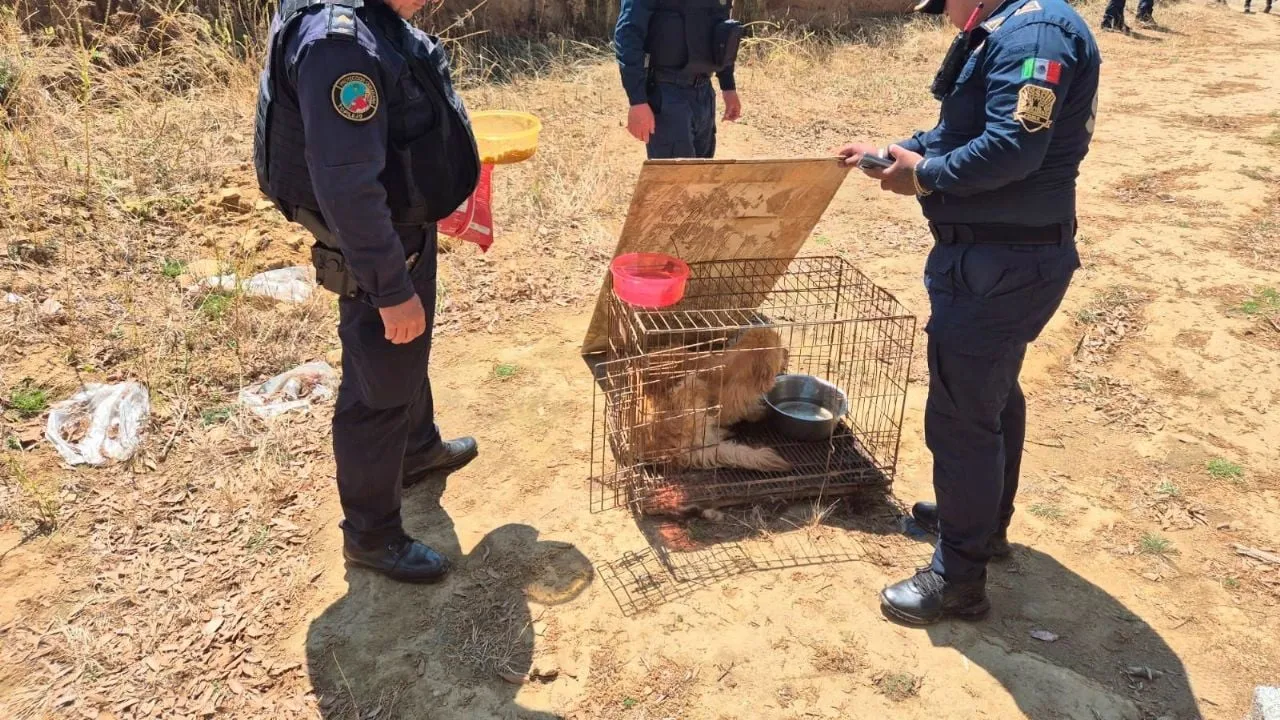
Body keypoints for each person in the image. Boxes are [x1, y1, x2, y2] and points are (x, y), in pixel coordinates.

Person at [837, 0, 1100, 625]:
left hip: (1001, 266)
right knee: (990, 397)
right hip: (996, 260)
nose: (946, 15)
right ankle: (982, 526)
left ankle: (958, 579)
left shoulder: (1035, 35)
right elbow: (964, 128)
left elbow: (1013, 148)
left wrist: (925, 175)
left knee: (961, 419)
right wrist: (898, 151)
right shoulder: (1009, 28)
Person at [254, 0, 482, 583]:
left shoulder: (367, 16)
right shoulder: (340, 46)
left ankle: (417, 450)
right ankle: (372, 536)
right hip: (378, 244)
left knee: (407, 351)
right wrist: (389, 288)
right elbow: (347, 187)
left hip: (399, 228)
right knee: (378, 386)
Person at [614, 0, 745, 159]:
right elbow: (628, 35)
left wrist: (728, 86)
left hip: (704, 93)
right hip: (667, 94)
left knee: (702, 172)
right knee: (675, 173)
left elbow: (723, 32)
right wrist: (637, 101)